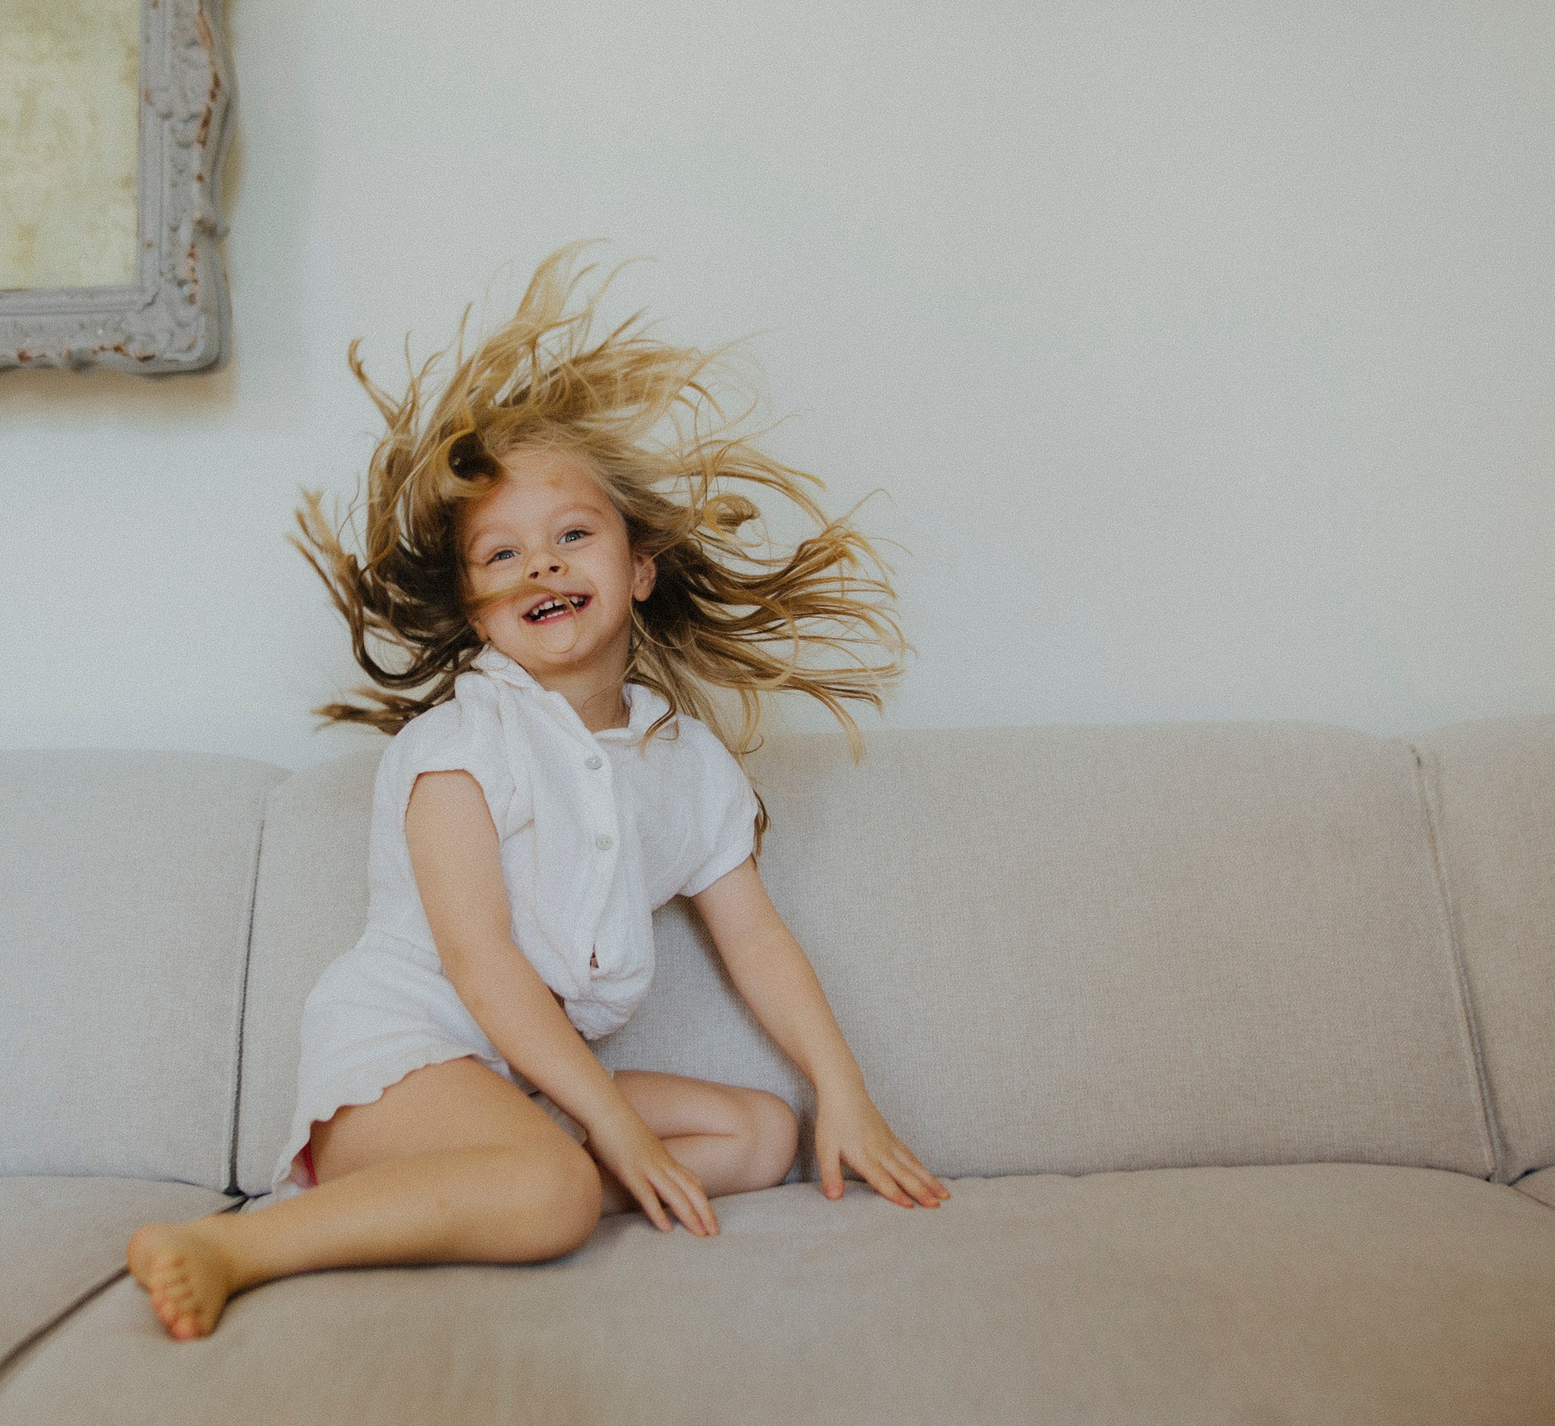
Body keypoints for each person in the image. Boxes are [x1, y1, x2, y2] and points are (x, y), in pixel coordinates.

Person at [126, 250, 948, 1340]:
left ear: (638, 565)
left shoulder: (684, 762)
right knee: (563, 1187)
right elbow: (483, 966)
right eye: (501, 554)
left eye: (571, 536)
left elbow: (756, 940)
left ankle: (463, 1200)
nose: (540, 569)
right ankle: (241, 1242)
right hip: (400, 1063)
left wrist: (844, 1091)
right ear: (473, 607)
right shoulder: (457, 748)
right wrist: (609, 1128)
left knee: (760, 1135)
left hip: (513, 1090)